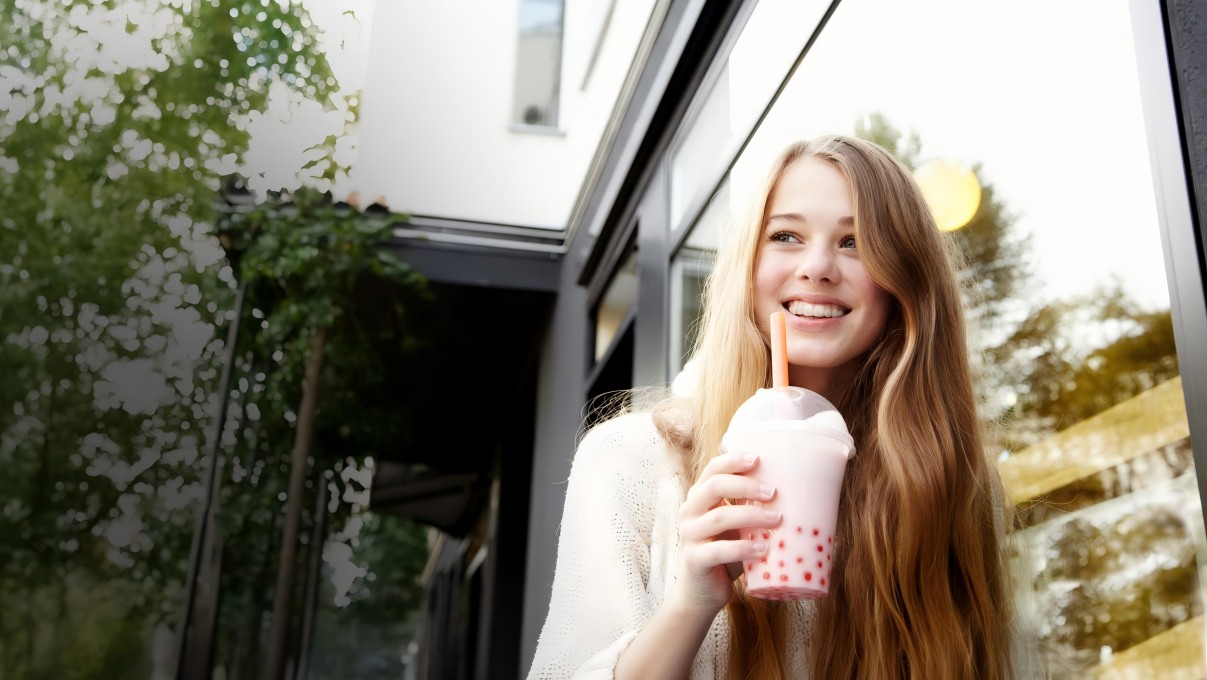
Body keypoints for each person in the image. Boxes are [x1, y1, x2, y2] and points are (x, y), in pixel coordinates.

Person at [528, 135, 1023, 679]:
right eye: (785, 235)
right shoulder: (632, 460)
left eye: (856, 242)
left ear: (905, 283)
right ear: (749, 264)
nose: (817, 267)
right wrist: (691, 602)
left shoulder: (954, 486)